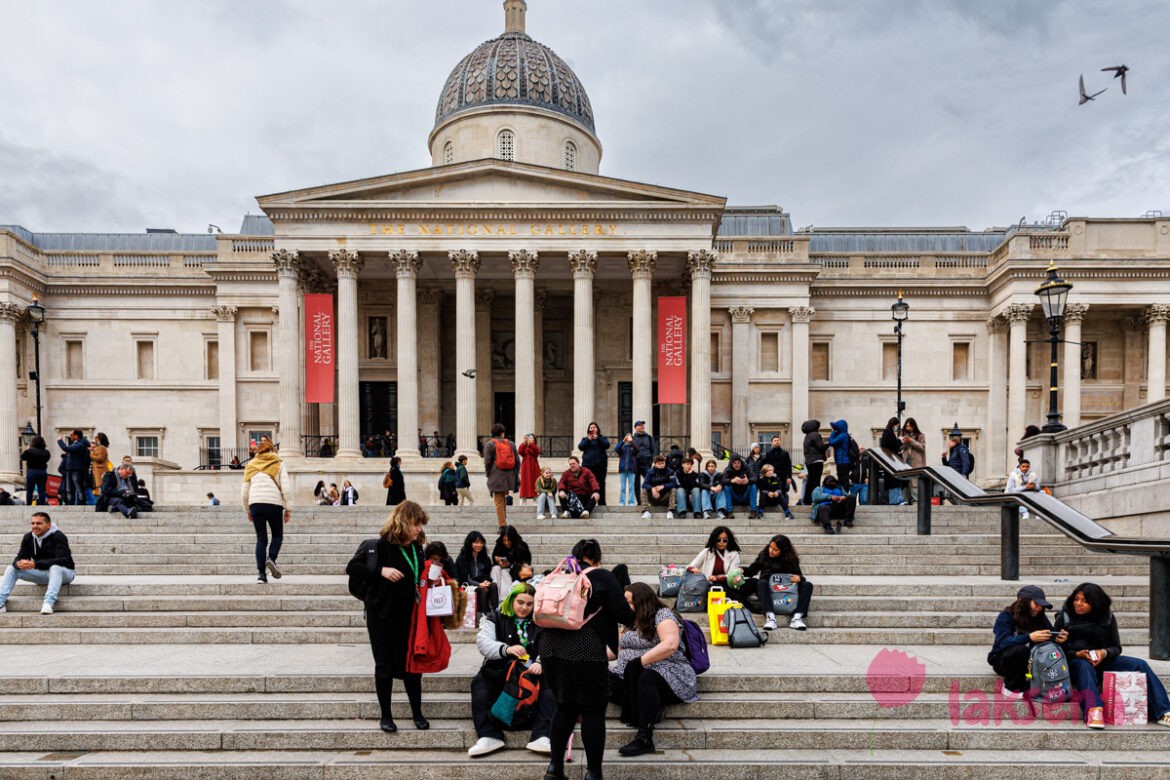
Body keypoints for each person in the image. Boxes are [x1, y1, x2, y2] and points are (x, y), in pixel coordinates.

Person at [540, 539, 636, 780]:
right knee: (593, 712)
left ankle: (555, 769)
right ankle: (594, 774)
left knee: (564, 706)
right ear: (597, 558)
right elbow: (622, 612)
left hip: (549, 648)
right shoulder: (601, 575)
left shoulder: (560, 573)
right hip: (585, 649)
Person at [345, 501, 433, 733]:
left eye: (420, 525)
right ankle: (386, 716)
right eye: (416, 524)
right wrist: (380, 571)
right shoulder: (380, 546)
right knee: (383, 665)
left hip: (409, 616)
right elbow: (352, 567)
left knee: (412, 667)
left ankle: (417, 713)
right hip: (382, 616)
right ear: (403, 522)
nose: (418, 529)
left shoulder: (416, 548)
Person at [1054, 582, 1170, 729]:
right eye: (1076, 599)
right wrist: (1076, 653)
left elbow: (1116, 647)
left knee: (1139, 664)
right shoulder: (1065, 617)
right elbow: (1055, 651)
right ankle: (1093, 710)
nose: (1078, 603)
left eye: (1084, 601)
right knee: (1084, 666)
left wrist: (1104, 653)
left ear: (1095, 603)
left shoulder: (1107, 617)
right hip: (1074, 661)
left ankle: (1163, 711)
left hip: (1101, 660)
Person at [467, 582, 557, 757]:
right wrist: (506, 649)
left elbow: (551, 644)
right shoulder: (497, 616)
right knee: (480, 683)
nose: (524, 608)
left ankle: (542, 735)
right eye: (520, 602)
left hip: (532, 671)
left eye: (529, 604)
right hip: (502, 668)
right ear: (511, 600)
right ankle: (489, 735)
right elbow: (483, 642)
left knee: (552, 684)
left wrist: (541, 662)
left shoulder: (542, 620)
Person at [609, 582, 698, 757]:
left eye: (629, 601)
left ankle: (645, 738)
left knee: (646, 677)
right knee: (599, 677)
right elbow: (615, 650)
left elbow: (670, 645)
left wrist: (638, 662)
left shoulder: (662, 615)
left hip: (669, 672)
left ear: (642, 601)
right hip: (629, 674)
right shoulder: (629, 620)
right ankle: (649, 707)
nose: (625, 605)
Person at [0, 512, 76, 616]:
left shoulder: (59, 537)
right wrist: (19, 563)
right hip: (42, 574)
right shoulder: (28, 537)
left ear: (48, 525)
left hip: (65, 574)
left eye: (39, 523)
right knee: (11, 568)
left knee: (55, 568)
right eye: (33, 523)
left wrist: (35, 564)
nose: (35, 526)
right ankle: (0, 602)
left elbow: (63, 560)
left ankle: (48, 603)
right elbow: (21, 555)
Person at [987, 584, 1058, 695]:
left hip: (1030, 663)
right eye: (1036, 604)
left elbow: (1051, 633)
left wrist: (1058, 638)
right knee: (1022, 650)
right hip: (1003, 660)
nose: (1039, 608)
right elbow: (1002, 643)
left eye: (1042, 605)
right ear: (1025, 602)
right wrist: (1029, 637)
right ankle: (1010, 688)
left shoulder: (1040, 617)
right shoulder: (1006, 616)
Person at [737, 534, 813, 631]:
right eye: (770, 547)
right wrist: (742, 570)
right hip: (768, 589)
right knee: (760, 583)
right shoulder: (764, 555)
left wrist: (799, 578)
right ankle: (770, 617)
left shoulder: (790, 559)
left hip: (785, 590)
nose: (771, 551)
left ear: (783, 551)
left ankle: (797, 617)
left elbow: (799, 575)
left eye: (775, 549)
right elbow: (752, 571)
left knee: (807, 585)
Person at [241, 437, 291, 584]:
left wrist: (247, 510)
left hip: (256, 504)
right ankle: (271, 558)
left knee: (261, 539)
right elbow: (286, 488)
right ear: (271, 449)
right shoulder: (279, 463)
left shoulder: (251, 465)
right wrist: (288, 508)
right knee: (277, 535)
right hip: (274, 504)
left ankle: (261, 574)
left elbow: (244, 491)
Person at [483, 423, 520, 528]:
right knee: (503, 498)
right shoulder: (511, 444)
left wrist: (488, 473)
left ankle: (502, 525)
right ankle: (503, 520)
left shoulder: (490, 444)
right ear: (503, 433)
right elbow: (517, 461)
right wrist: (515, 474)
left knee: (498, 500)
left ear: (492, 433)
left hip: (496, 475)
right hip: (509, 476)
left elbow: (487, 461)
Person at [456, 530, 496, 616]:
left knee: (494, 585)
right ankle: (483, 616)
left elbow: (487, 574)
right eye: (476, 542)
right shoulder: (462, 558)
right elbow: (464, 577)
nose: (479, 545)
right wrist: (478, 584)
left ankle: (495, 614)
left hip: (481, 583)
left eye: (481, 543)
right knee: (483, 590)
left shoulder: (485, 558)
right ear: (470, 543)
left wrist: (486, 581)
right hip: (468, 585)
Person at [577, 422, 611, 506]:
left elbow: (607, 445)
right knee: (587, 484)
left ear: (597, 429)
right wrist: (588, 439)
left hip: (600, 465)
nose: (592, 429)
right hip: (588, 465)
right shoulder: (585, 439)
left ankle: (601, 503)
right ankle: (588, 502)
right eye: (591, 427)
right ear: (588, 429)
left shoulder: (602, 438)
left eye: (594, 427)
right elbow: (580, 447)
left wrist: (598, 438)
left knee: (601, 483)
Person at [762, 435, 795, 517]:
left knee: (784, 491)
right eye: (775, 440)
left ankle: (785, 508)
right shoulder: (768, 454)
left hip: (783, 476)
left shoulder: (785, 453)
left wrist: (789, 477)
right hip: (772, 476)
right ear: (772, 443)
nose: (777, 441)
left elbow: (789, 466)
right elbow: (766, 466)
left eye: (778, 440)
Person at [57, 429, 91, 506]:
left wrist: (60, 441)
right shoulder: (76, 443)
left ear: (76, 436)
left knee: (79, 488)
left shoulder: (81, 444)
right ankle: (70, 504)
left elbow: (67, 448)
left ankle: (81, 504)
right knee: (69, 489)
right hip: (70, 468)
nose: (70, 436)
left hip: (77, 469)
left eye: (72, 435)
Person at [879, 417, 908, 505]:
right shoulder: (887, 433)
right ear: (893, 424)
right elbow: (892, 446)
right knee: (894, 482)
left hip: (893, 462)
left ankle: (899, 499)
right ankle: (895, 501)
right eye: (897, 426)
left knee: (896, 481)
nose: (897, 428)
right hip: (891, 463)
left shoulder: (889, 433)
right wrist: (900, 441)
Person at [640, 454, 678, 520]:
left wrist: (663, 486)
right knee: (643, 490)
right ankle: (646, 512)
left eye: (663, 463)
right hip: (653, 498)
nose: (661, 465)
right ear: (655, 464)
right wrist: (652, 488)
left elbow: (674, 484)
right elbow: (644, 484)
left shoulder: (670, 472)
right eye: (659, 464)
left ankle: (670, 511)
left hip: (665, 498)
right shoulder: (650, 472)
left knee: (674, 489)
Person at [720, 455, 757, 520]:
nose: (737, 465)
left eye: (738, 462)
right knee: (726, 486)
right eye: (734, 463)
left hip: (745, 496)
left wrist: (748, 481)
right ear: (731, 463)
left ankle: (753, 511)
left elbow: (755, 478)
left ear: (741, 462)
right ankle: (729, 511)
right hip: (734, 497)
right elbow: (722, 480)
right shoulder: (728, 469)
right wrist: (732, 480)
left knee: (753, 485)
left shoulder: (746, 468)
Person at [900, 417, 927, 503]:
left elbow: (922, 447)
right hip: (905, 461)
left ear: (914, 426)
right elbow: (900, 448)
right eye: (907, 426)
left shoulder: (920, 435)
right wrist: (904, 441)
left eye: (910, 426)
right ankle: (905, 500)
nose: (908, 428)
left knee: (915, 481)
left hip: (916, 462)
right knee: (906, 481)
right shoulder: (903, 435)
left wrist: (912, 440)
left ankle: (916, 501)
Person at [801, 419, 827, 506]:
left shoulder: (807, 436)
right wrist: (829, 443)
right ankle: (815, 498)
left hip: (809, 461)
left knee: (810, 481)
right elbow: (820, 447)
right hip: (817, 460)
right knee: (816, 481)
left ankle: (807, 500)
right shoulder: (815, 435)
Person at [20, 435, 51, 507]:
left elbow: (22, 457)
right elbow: (47, 459)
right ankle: (41, 505)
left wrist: (27, 450)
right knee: (42, 490)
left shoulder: (30, 451)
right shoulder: (46, 452)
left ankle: (28, 505)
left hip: (32, 471)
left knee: (30, 490)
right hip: (42, 472)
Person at [630, 420, 654, 504]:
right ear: (636, 428)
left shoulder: (649, 437)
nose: (642, 426)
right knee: (636, 484)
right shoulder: (632, 438)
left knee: (650, 482)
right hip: (635, 464)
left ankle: (652, 501)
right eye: (640, 425)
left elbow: (653, 450)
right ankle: (639, 502)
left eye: (643, 425)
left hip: (646, 464)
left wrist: (652, 461)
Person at [827, 420, 855, 491]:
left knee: (843, 479)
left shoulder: (842, 436)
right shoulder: (845, 435)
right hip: (844, 461)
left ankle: (844, 494)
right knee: (843, 478)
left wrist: (833, 432)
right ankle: (843, 494)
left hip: (842, 461)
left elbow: (831, 442)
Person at [614, 432, 638, 506]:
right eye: (627, 436)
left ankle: (631, 502)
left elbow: (637, 450)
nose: (628, 438)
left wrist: (632, 441)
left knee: (631, 487)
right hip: (622, 470)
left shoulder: (633, 447)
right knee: (623, 488)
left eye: (629, 437)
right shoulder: (622, 447)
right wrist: (623, 441)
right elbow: (616, 449)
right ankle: (622, 502)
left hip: (631, 470)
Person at [518, 434, 542, 506]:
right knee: (524, 484)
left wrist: (531, 444)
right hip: (525, 468)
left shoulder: (535, 447)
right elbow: (520, 451)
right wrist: (524, 443)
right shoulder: (525, 447)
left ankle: (536, 500)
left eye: (532, 438)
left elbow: (537, 451)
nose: (530, 439)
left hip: (534, 468)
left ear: (534, 440)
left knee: (535, 484)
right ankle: (523, 500)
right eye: (529, 438)